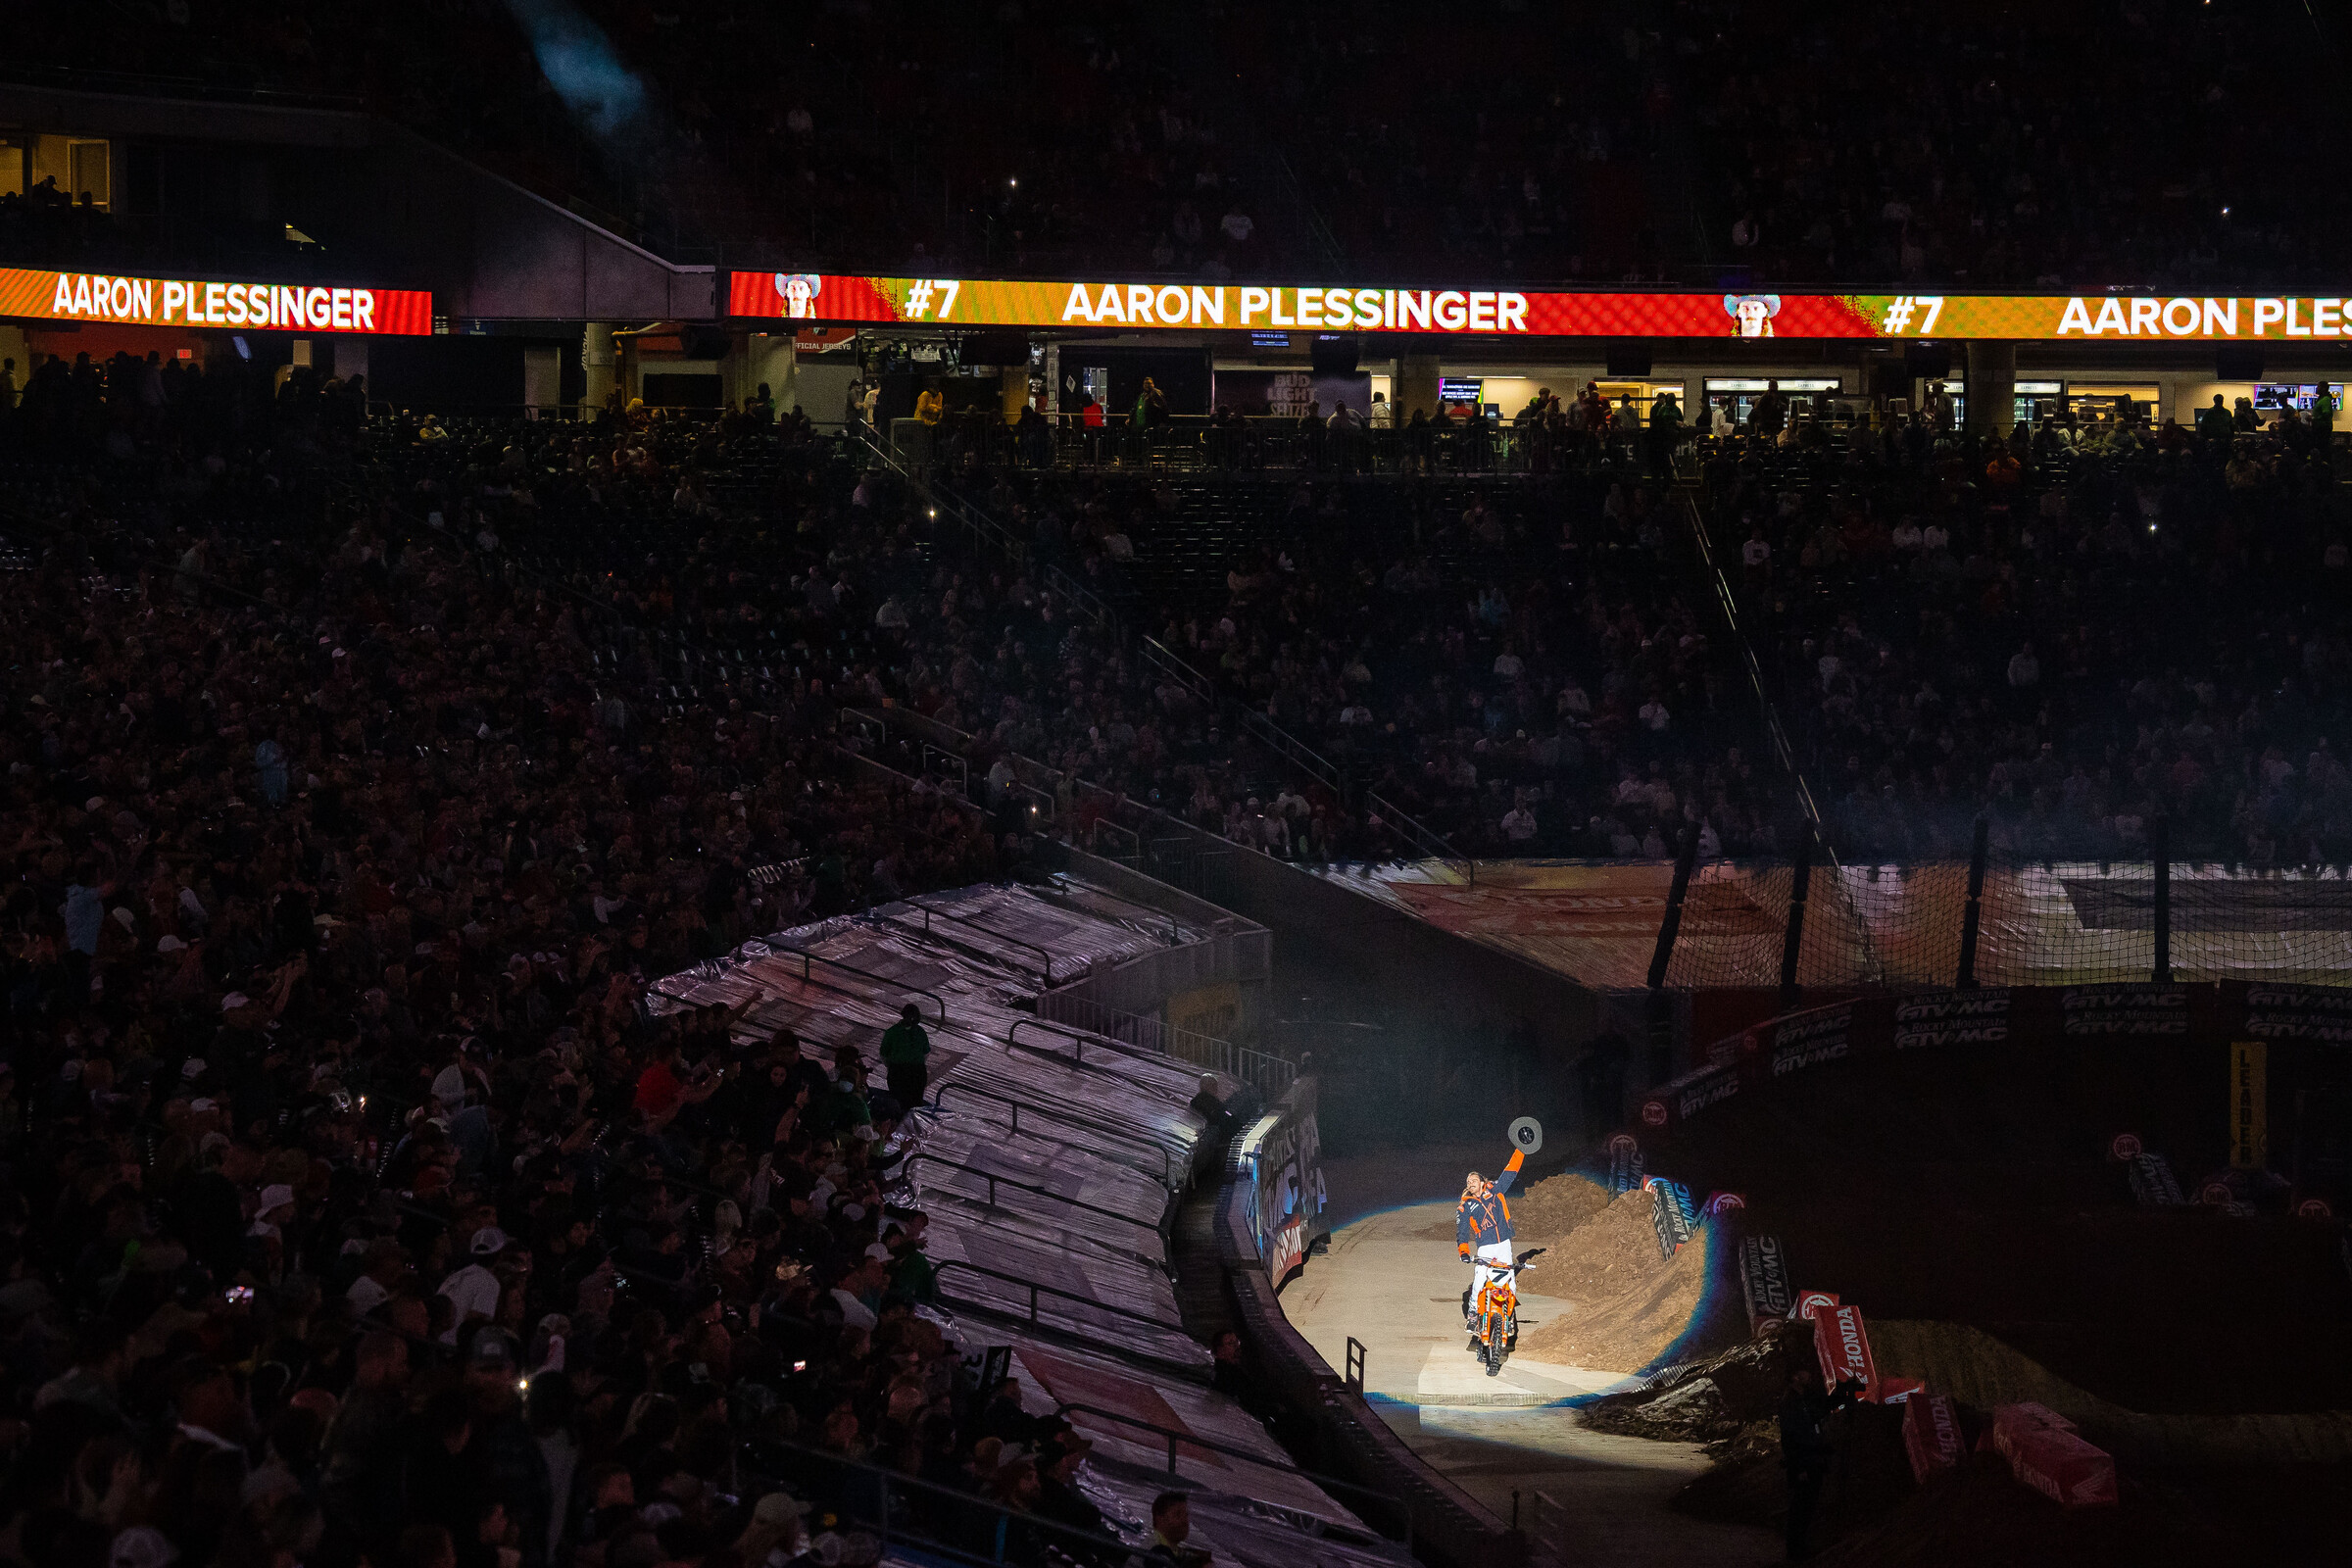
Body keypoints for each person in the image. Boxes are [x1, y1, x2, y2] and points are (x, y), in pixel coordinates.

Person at [1779, 1361, 1863, 1560]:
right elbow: (1790, 1438)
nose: (1809, 1376)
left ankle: (1799, 1548)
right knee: (1801, 1506)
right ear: (1795, 1377)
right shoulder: (1790, 1403)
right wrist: (1799, 1467)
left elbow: (1824, 1407)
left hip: (1813, 1458)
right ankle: (1795, 1551)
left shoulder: (1804, 1398)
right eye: (1804, 1372)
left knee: (1807, 1505)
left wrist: (1842, 1392)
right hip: (1804, 1461)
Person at [1454, 1142, 1526, 1319]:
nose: (1470, 1183)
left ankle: (1507, 1317)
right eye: (1468, 1182)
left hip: (1503, 1243)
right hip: (1485, 1247)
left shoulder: (1495, 1190)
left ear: (1482, 1181)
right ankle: (1473, 1313)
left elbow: (1510, 1171)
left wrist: (1522, 1149)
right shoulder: (1465, 1206)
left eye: (1473, 1180)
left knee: (1510, 1282)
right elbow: (1462, 1232)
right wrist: (1464, 1252)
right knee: (1479, 1279)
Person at [880, 1003, 933, 1106]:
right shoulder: (919, 1032)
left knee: (899, 1102)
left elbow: (884, 1054)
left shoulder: (892, 1032)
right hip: (915, 1072)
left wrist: (892, 1065)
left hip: (899, 1072)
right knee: (913, 1103)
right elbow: (926, 1053)